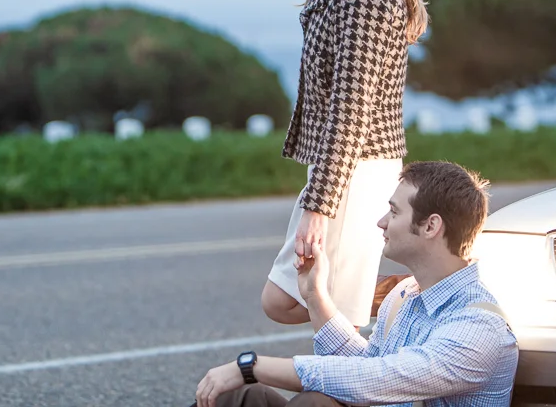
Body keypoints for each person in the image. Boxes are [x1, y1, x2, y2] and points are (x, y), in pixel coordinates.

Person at [262, 0, 428, 330]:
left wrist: (319, 205)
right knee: (285, 300)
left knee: (329, 316)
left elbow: (351, 105)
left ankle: (414, 300)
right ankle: (412, 295)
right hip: (339, 165)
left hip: (356, 168)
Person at [195, 161, 519, 407]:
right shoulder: (404, 295)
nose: (381, 222)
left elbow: (378, 380)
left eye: (394, 212)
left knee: (315, 403)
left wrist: (252, 366)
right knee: (239, 397)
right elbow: (367, 365)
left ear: (431, 226)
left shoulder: (478, 327)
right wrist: (315, 295)